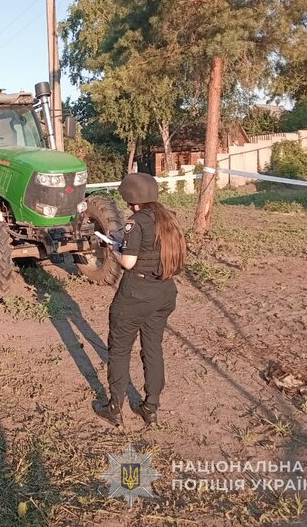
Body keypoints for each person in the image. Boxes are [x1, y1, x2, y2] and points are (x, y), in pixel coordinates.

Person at [94, 172, 187, 427]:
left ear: (131, 198)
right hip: (165, 292)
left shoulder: (135, 222)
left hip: (136, 292)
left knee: (120, 349)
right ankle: (151, 407)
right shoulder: (168, 218)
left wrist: (115, 247)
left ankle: (114, 407)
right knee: (153, 348)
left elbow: (128, 262)